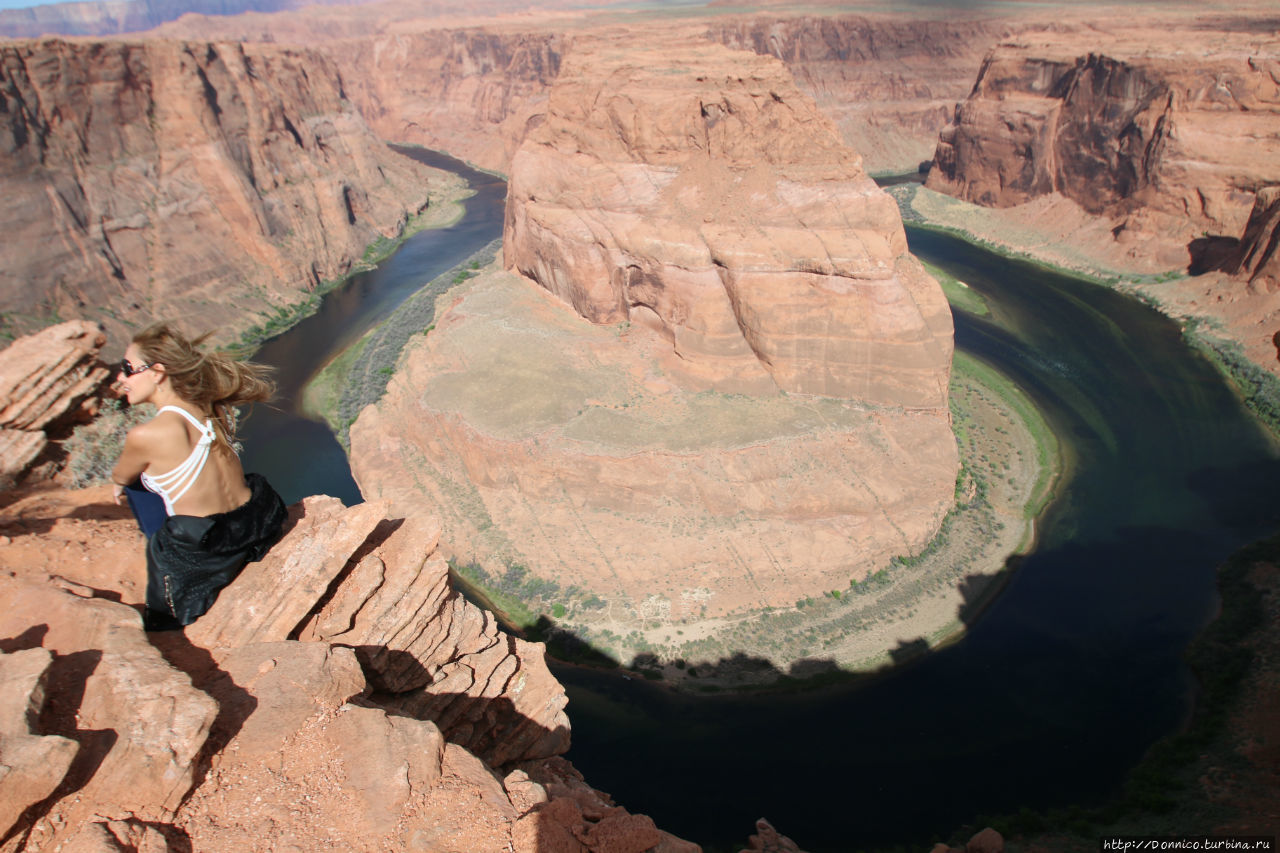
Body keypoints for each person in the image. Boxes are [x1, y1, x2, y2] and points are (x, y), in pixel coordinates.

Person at [111, 322, 287, 631]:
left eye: (127, 368)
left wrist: (119, 484)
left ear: (157, 372)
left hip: (210, 547)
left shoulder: (145, 435)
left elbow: (121, 476)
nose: (120, 378)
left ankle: (166, 606)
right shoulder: (207, 405)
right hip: (258, 520)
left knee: (135, 486)